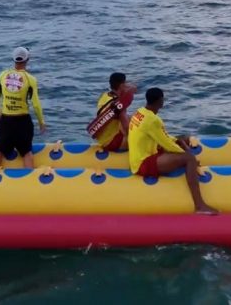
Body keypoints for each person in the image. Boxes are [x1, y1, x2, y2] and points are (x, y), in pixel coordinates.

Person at [128, 87, 219, 215]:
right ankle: (200, 205)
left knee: (183, 139)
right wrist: (188, 155)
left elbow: (162, 137)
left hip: (143, 154)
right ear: (160, 101)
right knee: (189, 159)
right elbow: (167, 144)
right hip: (143, 163)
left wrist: (178, 141)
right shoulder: (153, 120)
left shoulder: (140, 112)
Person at [0, 47, 47, 169]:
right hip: (22, 122)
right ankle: (30, 181)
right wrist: (41, 122)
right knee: (27, 152)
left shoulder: (3, 75)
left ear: (13, 59)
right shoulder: (31, 79)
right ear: (28, 60)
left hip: (6, 121)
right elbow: (36, 104)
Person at [92, 72, 137, 151]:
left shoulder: (105, 95)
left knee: (132, 118)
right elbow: (126, 128)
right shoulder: (118, 105)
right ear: (121, 85)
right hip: (110, 143)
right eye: (125, 83)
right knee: (138, 135)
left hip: (102, 139)